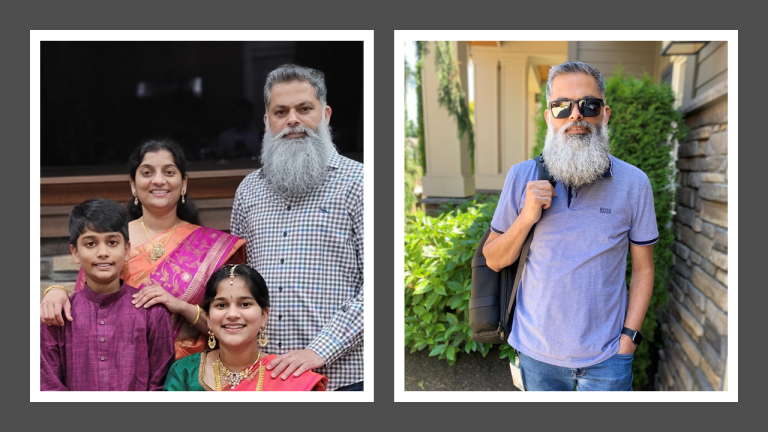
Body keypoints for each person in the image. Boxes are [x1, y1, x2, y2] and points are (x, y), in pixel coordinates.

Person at [483, 61, 658, 391]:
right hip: (536, 355)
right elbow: (493, 259)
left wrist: (629, 339)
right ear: (549, 117)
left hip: (608, 358)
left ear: (604, 114)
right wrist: (526, 217)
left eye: (588, 105)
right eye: (562, 106)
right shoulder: (522, 177)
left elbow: (644, 269)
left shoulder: (635, 183)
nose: (575, 115)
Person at [40, 139, 246, 360]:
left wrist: (181, 307)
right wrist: (57, 291)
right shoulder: (111, 239)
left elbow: (234, 325)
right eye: (147, 173)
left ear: (183, 184)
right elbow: (86, 307)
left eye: (169, 172)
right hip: (118, 365)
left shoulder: (211, 247)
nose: (158, 180)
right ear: (133, 185)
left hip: (187, 372)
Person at [231, 64, 363, 391]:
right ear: (267, 120)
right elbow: (236, 282)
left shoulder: (359, 183)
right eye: (281, 112)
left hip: (342, 377)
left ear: (325, 114)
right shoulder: (249, 190)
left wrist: (321, 349)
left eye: (304, 109)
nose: (293, 120)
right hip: (265, 376)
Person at [40, 198, 175, 390]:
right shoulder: (57, 316)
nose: (102, 252)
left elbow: (160, 385)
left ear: (126, 250)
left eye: (112, 242)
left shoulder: (151, 313)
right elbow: (48, 386)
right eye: (90, 244)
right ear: (75, 253)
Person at [164, 264, 327, 391]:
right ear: (208, 317)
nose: (232, 314)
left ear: (264, 315)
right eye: (221, 305)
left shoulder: (291, 378)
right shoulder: (185, 372)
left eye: (245, 304)